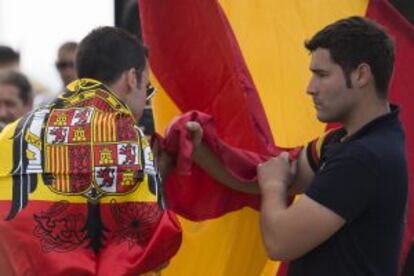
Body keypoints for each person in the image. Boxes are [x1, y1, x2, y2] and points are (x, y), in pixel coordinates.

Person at [186, 16, 407, 276]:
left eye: (322, 75)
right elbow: (266, 174)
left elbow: (280, 242)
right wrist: (200, 150)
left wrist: (273, 187)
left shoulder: (364, 158)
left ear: (361, 75)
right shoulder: (344, 141)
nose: (310, 88)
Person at [0, 27, 180, 275]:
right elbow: (153, 251)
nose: (144, 98)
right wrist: (161, 176)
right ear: (131, 78)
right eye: (146, 88)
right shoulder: (126, 139)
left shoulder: (12, 133)